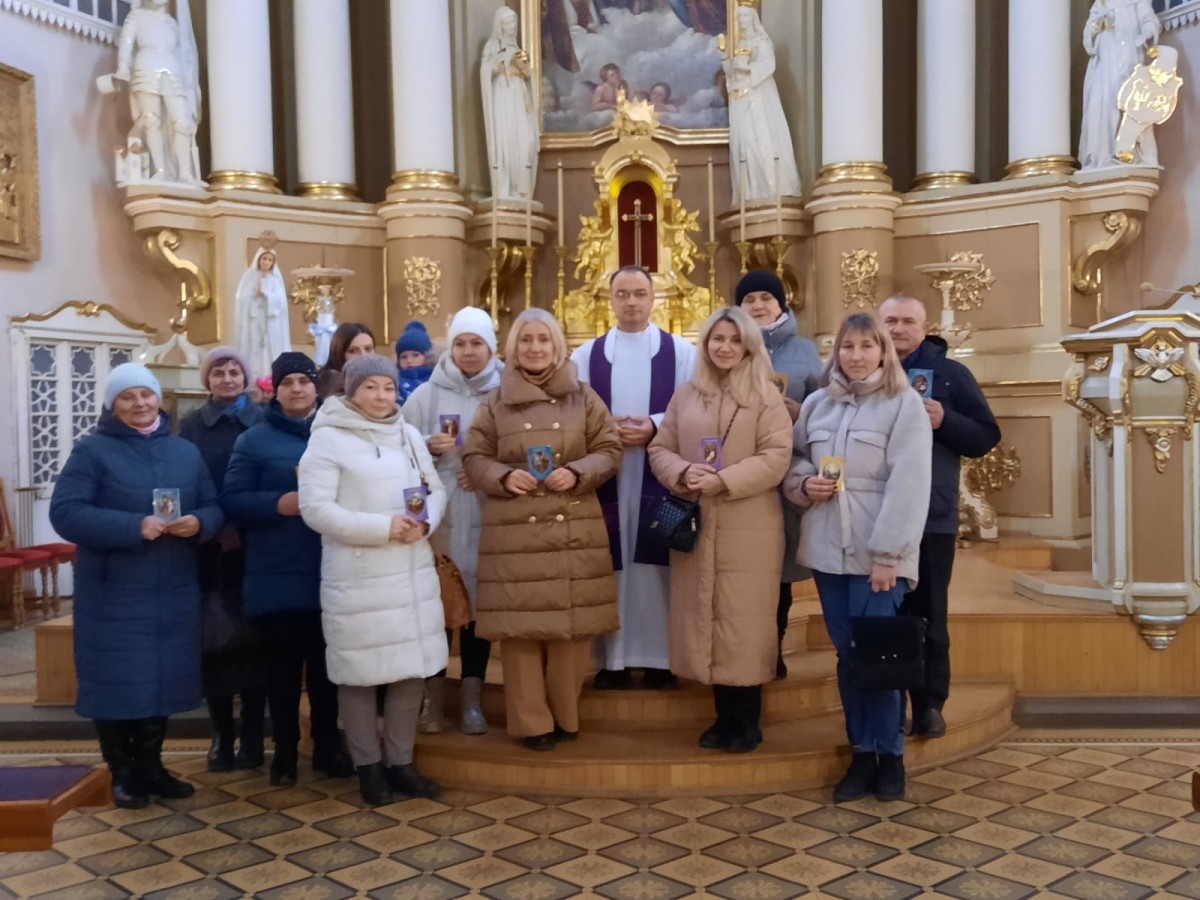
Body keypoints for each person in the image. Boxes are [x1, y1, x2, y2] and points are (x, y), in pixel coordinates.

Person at [50, 364, 223, 809]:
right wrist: (133, 526)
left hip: (173, 587)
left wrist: (200, 522)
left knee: (161, 679)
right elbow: (66, 513)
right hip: (115, 592)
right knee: (117, 682)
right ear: (113, 405)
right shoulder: (92, 451)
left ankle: (151, 766)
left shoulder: (184, 451)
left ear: (158, 399)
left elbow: (213, 505)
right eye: (127, 397)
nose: (140, 403)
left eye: (146, 394)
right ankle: (122, 772)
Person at [785, 313, 932, 802]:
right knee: (849, 656)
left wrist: (889, 555)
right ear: (837, 353)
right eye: (848, 346)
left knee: (880, 657)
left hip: (878, 555)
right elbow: (795, 460)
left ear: (883, 351)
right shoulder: (817, 404)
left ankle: (891, 755)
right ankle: (861, 752)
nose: (856, 355)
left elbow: (910, 484)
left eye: (867, 346)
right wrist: (804, 483)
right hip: (828, 551)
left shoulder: (903, 404)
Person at [463, 309, 622, 751]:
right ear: (513, 349)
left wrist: (578, 471)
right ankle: (532, 723)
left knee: (572, 631)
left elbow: (610, 449)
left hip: (573, 526)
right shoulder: (494, 402)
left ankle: (566, 715)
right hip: (515, 529)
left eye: (543, 339)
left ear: (558, 346)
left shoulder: (584, 397)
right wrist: (501, 476)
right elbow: (474, 457)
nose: (535, 348)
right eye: (526, 340)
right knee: (521, 633)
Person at [300, 354, 447, 805]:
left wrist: (426, 522)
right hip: (360, 577)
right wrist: (383, 528)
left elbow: (435, 489)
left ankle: (400, 763)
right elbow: (316, 510)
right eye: (370, 387)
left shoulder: (407, 434)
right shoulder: (328, 439)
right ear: (351, 391)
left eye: (388, 387)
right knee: (360, 676)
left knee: (410, 672)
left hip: (411, 572)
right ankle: (368, 768)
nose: (382, 396)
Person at [647, 307, 792, 753]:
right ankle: (723, 715)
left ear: (748, 345)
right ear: (706, 344)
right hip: (699, 522)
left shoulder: (766, 396)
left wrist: (724, 480)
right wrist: (682, 471)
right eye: (717, 339)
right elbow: (660, 447)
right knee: (706, 616)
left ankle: (747, 719)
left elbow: (776, 456)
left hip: (750, 524)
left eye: (734, 339)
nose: (725, 347)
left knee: (743, 621)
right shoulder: (687, 395)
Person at [221, 352, 354, 787]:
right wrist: (278, 504)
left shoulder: (339, 433)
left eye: (304, 381)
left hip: (331, 567)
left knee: (327, 668)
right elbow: (233, 498)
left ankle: (327, 745)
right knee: (281, 670)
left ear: (317, 387)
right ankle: (285, 750)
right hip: (276, 572)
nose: (297, 388)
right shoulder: (254, 440)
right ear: (275, 391)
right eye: (287, 382)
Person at [879, 295, 1001, 738]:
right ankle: (886, 706)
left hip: (932, 516)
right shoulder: (863, 370)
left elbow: (986, 436)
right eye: (890, 321)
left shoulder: (951, 375)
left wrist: (945, 420)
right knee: (883, 617)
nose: (898, 329)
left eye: (907, 321)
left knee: (929, 614)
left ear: (924, 327)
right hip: (874, 515)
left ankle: (930, 705)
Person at [571, 265, 696, 691]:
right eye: (622, 294)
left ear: (652, 298)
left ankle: (662, 660)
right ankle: (613, 660)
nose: (631, 302)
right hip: (609, 474)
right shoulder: (585, 357)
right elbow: (574, 413)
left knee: (657, 564)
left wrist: (655, 425)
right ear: (610, 300)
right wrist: (606, 431)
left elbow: (692, 408)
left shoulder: (681, 353)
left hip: (659, 471)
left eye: (639, 293)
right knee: (612, 564)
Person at [402, 308, 503, 736]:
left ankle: (472, 700)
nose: (468, 351)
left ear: (491, 348)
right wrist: (427, 446)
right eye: (460, 343)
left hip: (487, 509)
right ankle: (433, 698)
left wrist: (486, 470)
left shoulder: (507, 391)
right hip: (440, 514)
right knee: (438, 607)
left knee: (479, 608)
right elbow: (399, 445)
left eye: (477, 343)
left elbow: (522, 446)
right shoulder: (426, 394)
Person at [178, 347, 266, 774]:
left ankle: (253, 734)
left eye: (234, 372)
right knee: (216, 637)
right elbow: (187, 479)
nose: (228, 379)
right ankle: (222, 733)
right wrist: (215, 525)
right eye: (219, 373)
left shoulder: (263, 420)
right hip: (209, 545)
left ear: (245, 378)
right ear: (207, 380)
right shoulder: (191, 425)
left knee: (254, 639)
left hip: (257, 542)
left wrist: (242, 524)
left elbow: (267, 477)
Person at [735, 270, 824, 679]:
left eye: (765, 298)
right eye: (749, 299)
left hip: (788, 470)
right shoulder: (729, 346)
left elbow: (824, 404)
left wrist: (800, 412)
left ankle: (775, 646)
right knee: (745, 566)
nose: (758, 305)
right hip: (742, 468)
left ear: (781, 304)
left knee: (781, 567)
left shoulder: (805, 351)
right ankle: (744, 648)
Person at [99, 0, 202, 184]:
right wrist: (123, 66)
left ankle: (185, 174)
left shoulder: (172, 23)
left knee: (182, 122)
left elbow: (183, 53)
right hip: (146, 66)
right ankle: (160, 171)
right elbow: (127, 42)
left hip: (173, 69)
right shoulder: (137, 16)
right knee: (151, 120)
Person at [725, 4, 801, 203]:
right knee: (745, 142)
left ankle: (771, 187)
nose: (740, 20)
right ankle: (751, 192)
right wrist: (728, 62)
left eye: (744, 16)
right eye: (738, 17)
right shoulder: (739, 44)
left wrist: (747, 69)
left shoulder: (762, 41)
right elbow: (730, 76)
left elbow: (769, 65)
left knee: (760, 139)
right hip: (741, 99)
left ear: (752, 18)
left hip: (760, 97)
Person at [1079, 0, 1161, 169]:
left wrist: (1147, 33)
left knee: (1129, 102)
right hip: (1104, 61)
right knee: (1100, 103)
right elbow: (1089, 33)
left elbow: (1150, 21)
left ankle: (1128, 152)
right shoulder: (1101, 4)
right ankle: (1101, 156)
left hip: (1128, 57)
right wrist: (1097, 26)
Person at [482, 6, 540, 200]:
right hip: (503, 97)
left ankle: (520, 189)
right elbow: (485, 71)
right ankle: (505, 188)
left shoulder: (518, 50)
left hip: (519, 98)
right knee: (506, 139)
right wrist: (498, 66)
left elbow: (529, 76)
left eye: (514, 22)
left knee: (526, 141)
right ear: (500, 25)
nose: (512, 26)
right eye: (508, 23)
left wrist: (527, 73)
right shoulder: (492, 46)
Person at [235, 248, 291, 383]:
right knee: (255, 349)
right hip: (254, 319)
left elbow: (280, 302)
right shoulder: (249, 277)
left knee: (269, 350)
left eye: (270, 260)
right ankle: (253, 379)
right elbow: (242, 299)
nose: (266, 262)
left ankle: (271, 379)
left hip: (271, 323)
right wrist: (254, 295)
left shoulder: (276, 280)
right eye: (264, 259)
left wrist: (266, 294)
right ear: (258, 260)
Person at [317, 322, 375, 399]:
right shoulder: (334, 387)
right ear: (339, 354)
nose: (364, 356)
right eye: (353, 351)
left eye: (368, 349)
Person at [394, 320, 435, 405]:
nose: (409, 360)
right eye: (403, 357)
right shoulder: (395, 381)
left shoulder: (436, 378)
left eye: (415, 355)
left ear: (427, 356)